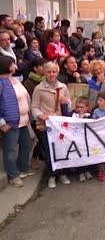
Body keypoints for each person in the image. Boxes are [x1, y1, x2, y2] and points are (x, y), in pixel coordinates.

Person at [31, 61, 71, 188]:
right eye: (48, 72)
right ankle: (52, 176)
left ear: (57, 72)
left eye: (54, 72)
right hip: (46, 125)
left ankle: (63, 174)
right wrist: (41, 115)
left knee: (62, 150)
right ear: (44, 72)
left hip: (59, 125)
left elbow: (69, 105)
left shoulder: (63, 87)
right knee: (49, 151)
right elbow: (34, 107)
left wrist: (66, 102)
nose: (51, 74)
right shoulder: (39, 88)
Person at [0, 56, 33, 187]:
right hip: (10, 123)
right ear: (8, 66)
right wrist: (1, 123)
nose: (15, 66)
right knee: (10, 150)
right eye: (13, 64)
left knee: (27, 145)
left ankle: (23, 168)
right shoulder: (1, 83)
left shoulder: (14, 80)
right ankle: (13, 176)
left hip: (23, 121)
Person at [61, 97, 94, 182]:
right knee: (79, 156)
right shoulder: (72, 114)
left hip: (86, 141)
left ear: (86, 108)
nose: (79, 109)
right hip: (75, 141)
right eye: (77, 107)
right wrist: (64, 105)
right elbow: (64, 117)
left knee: (87, 156)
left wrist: (83, 118)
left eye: (82, 107)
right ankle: (80, 173)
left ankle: (87, 170)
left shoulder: (89, 116)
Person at [23, 57, 46, 170]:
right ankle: (34, 158)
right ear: (36, 68)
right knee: (40, 138)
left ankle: (42, 155)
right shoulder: (28, 82)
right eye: (42, 66)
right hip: (35, 115)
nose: (45, 68)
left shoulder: (46, 80)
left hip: (47, 113)